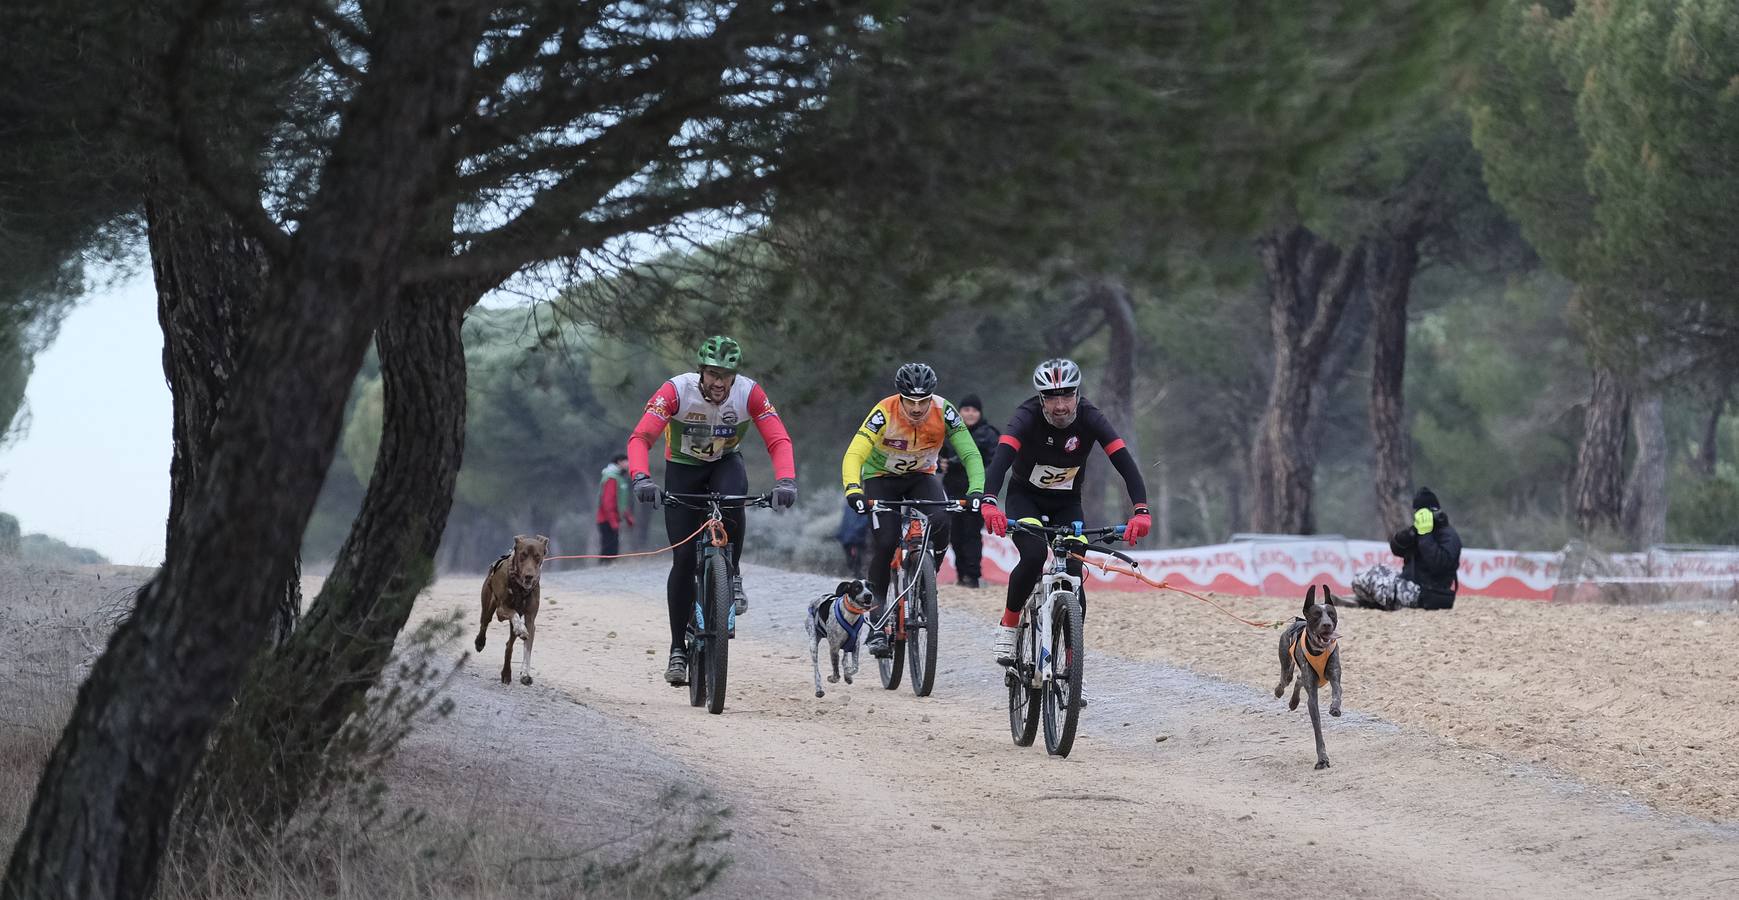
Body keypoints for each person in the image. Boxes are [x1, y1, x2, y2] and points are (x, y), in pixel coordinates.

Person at [626, 336, 798, 686]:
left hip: (724, 463)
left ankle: (731, 575)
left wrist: (786, 481)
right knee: (684, 560)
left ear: (735, 376)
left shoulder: (750, 394)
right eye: (712, 374)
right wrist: (641, 478)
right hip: (683, 470)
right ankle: (677, 649)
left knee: (734, 500)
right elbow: (640, 438)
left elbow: (778, 440)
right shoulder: (675, 391)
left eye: (726, 375)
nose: (719, 383)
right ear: (700, 372)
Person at [978, 358, 1151, 664]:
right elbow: (1000, 461)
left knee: (1073, 568)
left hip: (1066, 503)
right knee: (1032, 556)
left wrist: (1140, 510)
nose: (1060, 406)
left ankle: (1073, 664)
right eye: (1051, 397)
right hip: (1026, 498)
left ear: (1078, 394)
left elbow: (1125, 465)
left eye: (1067, 396)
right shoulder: (1026, 416)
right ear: (1041, 398)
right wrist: (989, 500)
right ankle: (1008, 624)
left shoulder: (1091, 417)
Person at [841, 362, 986, 657]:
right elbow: (855, 452)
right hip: (881, 479)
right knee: (886, 542)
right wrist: (853, 489)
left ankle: (926, 575)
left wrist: (976, 491)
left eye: (923, 401)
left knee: (942, 519)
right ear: (900, 396)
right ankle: (878, 623)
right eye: (911, 401)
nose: (918, 408)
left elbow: (970, 452)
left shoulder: (944, 411)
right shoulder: (884, 411)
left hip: (921, 477)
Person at [1352, 487, 1462, 610]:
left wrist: (1426, 535)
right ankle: (1374, 601)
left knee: (1370, 581)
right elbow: (1396, 549)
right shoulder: (1419, 531)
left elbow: (1439, 565)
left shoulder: (1448, 536)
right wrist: (1414, 531)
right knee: (1374, 572)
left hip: (1429, 594)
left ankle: (1374, 601)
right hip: (1411, 585)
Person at [939, 393, 1000, 587]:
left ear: (980, 413)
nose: (970, 414)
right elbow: (937, 458)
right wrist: (942, 466)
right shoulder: (948, 433)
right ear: (960, 412)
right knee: (955, 535)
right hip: (952, 491)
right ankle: (960, 574)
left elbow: (995, 463)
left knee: (972, 533)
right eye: (966, 410)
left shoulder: (989, 434)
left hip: (976, 492)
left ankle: (973, 576)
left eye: (974, 410)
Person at [595, 452, 634, 565]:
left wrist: (628, 517)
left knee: (613, 547)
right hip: (606, 519)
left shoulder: (618, 478)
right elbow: (608, 503)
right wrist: (613, 521)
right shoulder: (611, 478)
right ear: (619, 462)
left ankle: (607, 568)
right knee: (608, 548)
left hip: (612, 519)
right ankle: (603, 570)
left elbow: (620, 501)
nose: (628, 464)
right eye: (627, 461)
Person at [837, 496, 870, 580]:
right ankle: (859, 576)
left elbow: (844, 522)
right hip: (855, 537)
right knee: (856, 559)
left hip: (850, 538)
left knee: (854, 559)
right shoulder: (859, 506)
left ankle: (858, 576)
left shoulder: (848, 506)